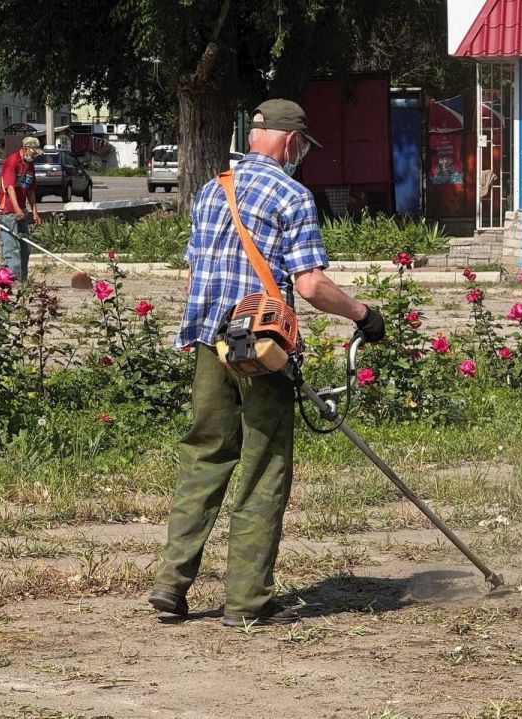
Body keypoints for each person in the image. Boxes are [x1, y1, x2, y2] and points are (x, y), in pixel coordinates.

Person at [148, 99, 385, 627]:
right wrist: (363, 313)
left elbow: (194, 278)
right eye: (302, 146)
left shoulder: (213, 190)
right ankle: (247, 602)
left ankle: (171, 583)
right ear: (290, 141)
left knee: (204, 458)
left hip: (211, 344)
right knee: (262, 468)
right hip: (262, 351)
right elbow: (311, 285)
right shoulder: (293, 195)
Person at [0, 136, 42, 282]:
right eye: (33, 152)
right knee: (12, 249)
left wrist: (34, 212)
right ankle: (9, 282)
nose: (34, 156)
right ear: (25, 149)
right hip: (9, 212)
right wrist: (16, 209)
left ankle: (22, 282)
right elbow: (10, 188)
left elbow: (31, 191)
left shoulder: (30, 166)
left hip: (21, 212)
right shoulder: (11, 162)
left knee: (25, 248)